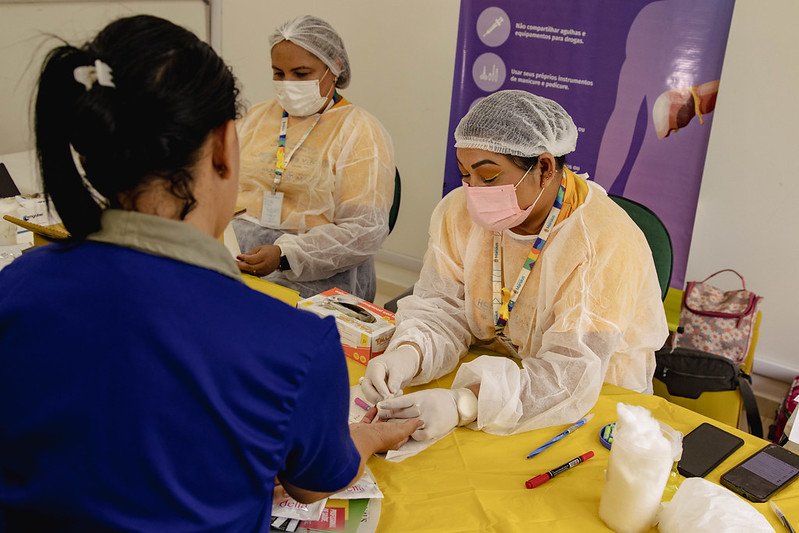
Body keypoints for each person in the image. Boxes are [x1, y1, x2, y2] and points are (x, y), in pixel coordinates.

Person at [0, 15, 417, 531]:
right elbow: (314, 481)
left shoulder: (18, 287)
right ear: (223, 149)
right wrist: (372, 435)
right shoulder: (294, 346)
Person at [360, 90, 668, 440]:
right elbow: (443, 306)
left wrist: (463, 403)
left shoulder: (602, 243)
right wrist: (408, 353)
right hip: (497, 374)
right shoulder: (459, 213)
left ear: (545, 168)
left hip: (588, 404)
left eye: (489, 177)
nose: (473, 191)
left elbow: (569, 376)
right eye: (465, 174)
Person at [233, 15, 395, 301]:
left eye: (301, 73)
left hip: (321, 278)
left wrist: (286, 254)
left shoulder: (360, 132)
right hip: (238, 260)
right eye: (279, 73)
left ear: (335, 67)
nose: (288, 83)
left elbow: (363, 231)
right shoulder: (255, 118)